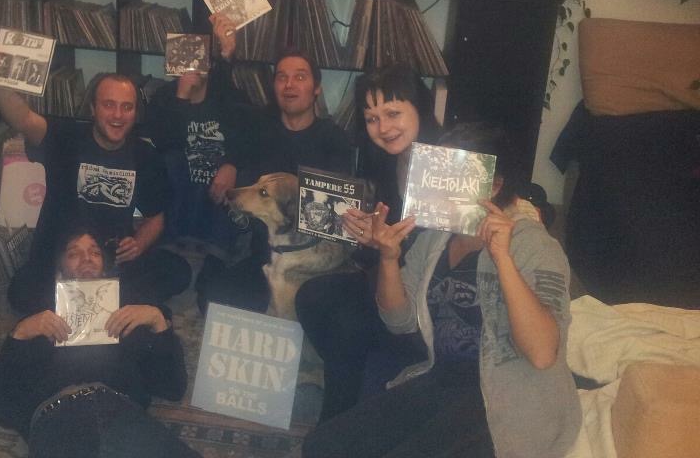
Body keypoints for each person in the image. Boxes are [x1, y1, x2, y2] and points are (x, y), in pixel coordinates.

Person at [302, 123, 581, 458]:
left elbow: (543, 353)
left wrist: (503, 259)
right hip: (443, 378)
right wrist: (389, 257)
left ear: (494, 185)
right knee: (322, 447)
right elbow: (399, 322)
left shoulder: (534, 245)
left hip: (508, 395)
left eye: (455, 176)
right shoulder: (437, 238)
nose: (440, 186)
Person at [0, 46, 191, 315]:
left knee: (179, 271)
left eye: (126, 107)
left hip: (112, 258)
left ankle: (90, 303)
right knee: (23, 293)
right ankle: (106, 304)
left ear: (135, 113)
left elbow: (156, 217)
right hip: (60, 254)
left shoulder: (144, 155)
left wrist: (139, 244)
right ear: (93, 108)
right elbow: (23, 119)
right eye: (108, 105)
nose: (117, 115)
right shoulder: (66, 137)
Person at [296, 63, 440, 421]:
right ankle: (354, 378)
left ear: (420, 107)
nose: (383, 128)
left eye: (393, 113)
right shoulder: (389, 161)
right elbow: (393, 243)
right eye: (372, 118)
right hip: (392, 276)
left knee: (347, 325)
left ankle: (337, 419)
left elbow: (437, 251)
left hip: (429, 295)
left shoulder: (447, 165)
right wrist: (372, 238)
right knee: (310, 296)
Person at [0, 227, 198, 458]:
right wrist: (19, 335)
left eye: (95, 252)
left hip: (120, 413)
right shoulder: (40, 322)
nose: (86, 258)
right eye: (74, 253)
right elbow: (3, 409)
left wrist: (158, 322)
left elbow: (172, 388)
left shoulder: (128, 316)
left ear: (105, 266)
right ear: (60, 269)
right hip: (59, 418)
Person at [196, 43, 351, 314]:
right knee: (213, 301)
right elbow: (224, 108)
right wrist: (230, 163)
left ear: (316, 88)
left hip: (308, 259)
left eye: (300, 77)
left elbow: (336, 218)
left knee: (315, 311)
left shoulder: (334, 139)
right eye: (282, 77)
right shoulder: (259, 127)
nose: (289, 85)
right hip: (260, 249)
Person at [144, 14, 249, 251]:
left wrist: (232, 164)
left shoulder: (226, 94)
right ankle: (176, 244)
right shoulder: (163, 98)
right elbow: (164, 143)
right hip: (181, 190)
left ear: (209, 63)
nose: (191, 65)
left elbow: (248, 136)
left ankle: (217, 252)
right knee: (171, 163)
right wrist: (181, 98)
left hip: (218, 189)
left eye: (198, 56)